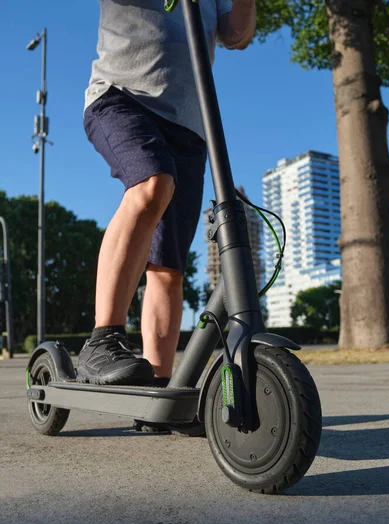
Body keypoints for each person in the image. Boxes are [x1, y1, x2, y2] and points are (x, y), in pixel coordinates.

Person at [77, 0, 256, 387]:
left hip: (190, 127)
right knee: (151, 184)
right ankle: (102, 340)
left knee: (169, 268)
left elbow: (237, 34)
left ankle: (160, 389)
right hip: (122, 97)